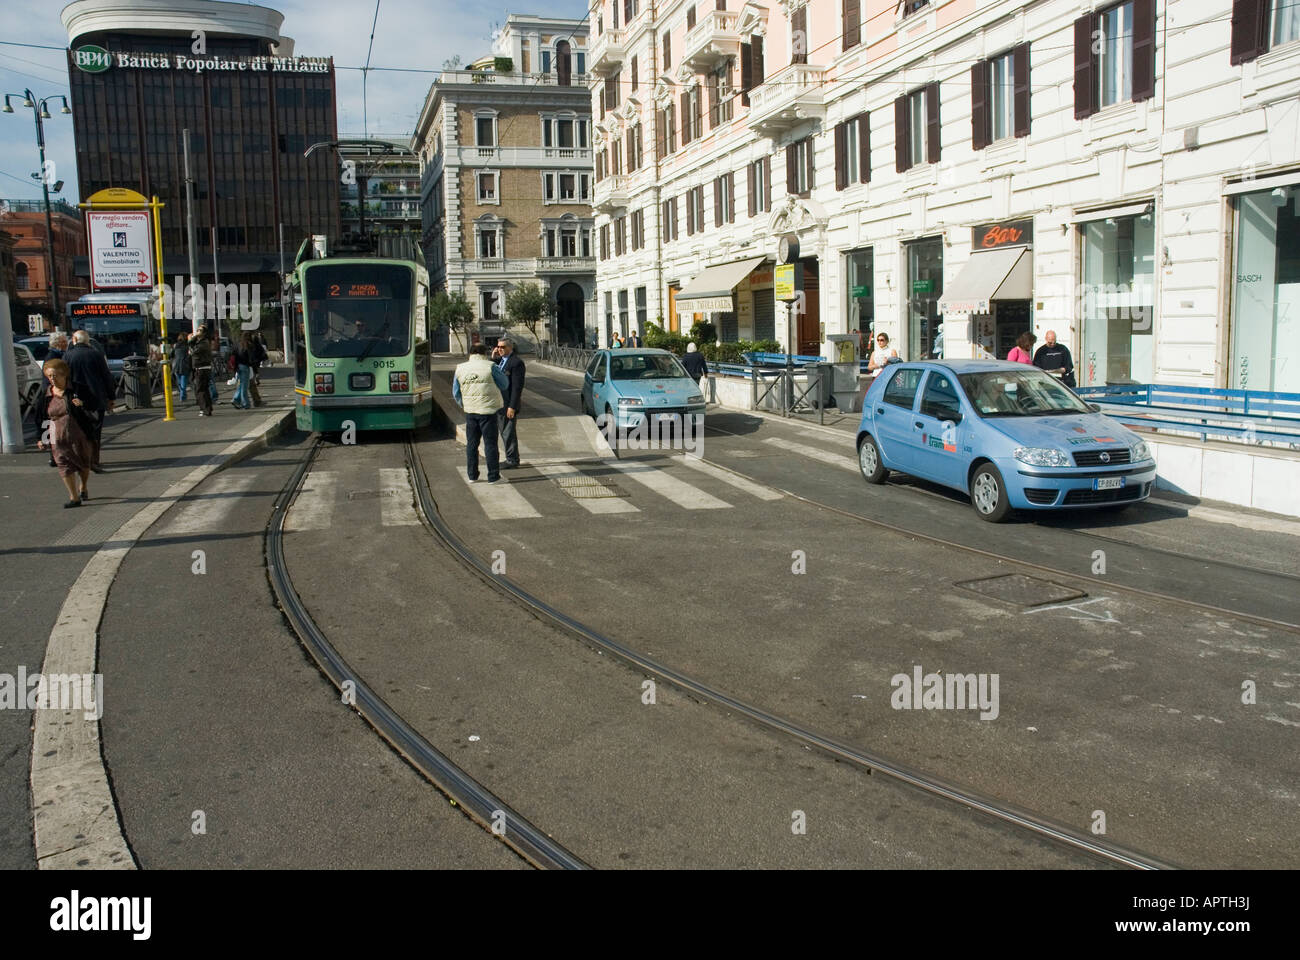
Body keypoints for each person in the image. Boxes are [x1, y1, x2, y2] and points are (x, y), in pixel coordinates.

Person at [35, 359, 99, 508]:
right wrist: (42, 438)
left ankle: (83, 486)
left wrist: (82, 404)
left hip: (79, 434)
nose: (52, 379)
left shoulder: (78, 389)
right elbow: (42, 419)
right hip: (57, 436)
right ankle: (74, 497)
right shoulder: (46, 396)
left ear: (64, 375)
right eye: (49, 376)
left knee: (84, 463)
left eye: (55, 375)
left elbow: (95, 404)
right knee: (63, 464)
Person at [452, 343, 510, 483]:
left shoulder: (460, 368)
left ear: (470, 353)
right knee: (490, 444)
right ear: (485, 353)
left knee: (472, 444)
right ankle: (493, 477)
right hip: (488, 412)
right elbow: (504, 384)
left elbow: (455, 393)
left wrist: (466, 404)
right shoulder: (490, 366)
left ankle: (472, 476)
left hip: (470, 412)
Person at [64, 329, 115, 473]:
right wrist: (111, 397)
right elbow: (106, 377)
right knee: (95, 431)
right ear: (87, 341)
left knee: (79, 430)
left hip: (75, 399)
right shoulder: (96, 355)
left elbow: (65, 378)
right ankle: (93, 460)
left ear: (74, 340)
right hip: (95, 399)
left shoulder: (67, 356)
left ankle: (81, 459)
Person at [495, 336, 526, 469]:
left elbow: (517, 387)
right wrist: (493, 357)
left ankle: (512, 459)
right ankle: (511, 457)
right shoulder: (500, 361)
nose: (500, 349)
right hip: (499, 403)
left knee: (508, 432)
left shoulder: (516, 363)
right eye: (498, 347)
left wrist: (512, 406)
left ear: (510, 347)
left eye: (503, 347)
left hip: (508, 405)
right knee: (504, 432)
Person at [190, 327, 214, 416]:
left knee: (200, 390)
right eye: (197, 330)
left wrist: (193, 338)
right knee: (204, 389)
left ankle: (205, 409)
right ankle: (207, 408)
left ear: (204, 333)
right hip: (201, 368)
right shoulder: (201, 342)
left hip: (202, 368)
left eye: (199, 330)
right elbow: (191, 344)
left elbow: (193, 351)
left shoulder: (203, 343)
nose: (197, 332)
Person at [232, 333, 254, 409]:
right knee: (244, 385)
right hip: (245, 366)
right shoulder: (248, 345)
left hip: (238, 366)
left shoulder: (238, 344)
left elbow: (234, 354)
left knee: (241, 384)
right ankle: (245, 403)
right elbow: (251, 358)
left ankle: (236, 399)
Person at [172, 333, 191, 402]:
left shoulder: (176, 345)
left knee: (179, 382)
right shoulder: (187, 346)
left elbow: (171, 355)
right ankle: (182, 396)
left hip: (176, 365)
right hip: (184, 365)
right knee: (183, 382)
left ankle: (182, 394)